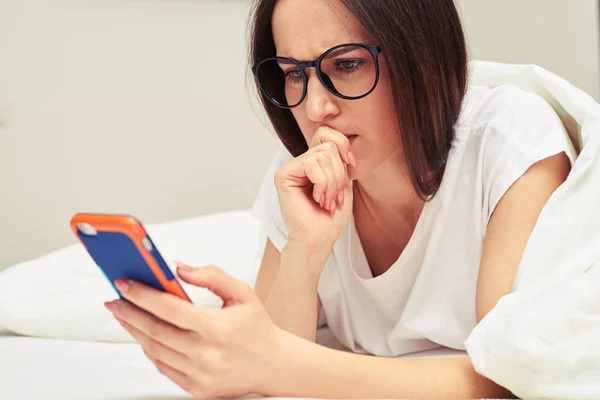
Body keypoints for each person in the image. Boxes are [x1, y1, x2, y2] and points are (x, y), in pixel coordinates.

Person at [103, 0, 576, 398]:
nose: (314, 108)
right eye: (292, 74)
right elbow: (273, 370)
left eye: (346, 64)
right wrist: (306, 251)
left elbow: (508, 377)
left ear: (420, 56)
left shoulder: (510, 142)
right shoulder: (303, 171)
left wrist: (276, 362)